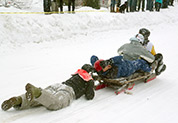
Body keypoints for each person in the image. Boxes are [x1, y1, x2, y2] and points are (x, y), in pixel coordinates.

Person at [1, 64, 95, 111]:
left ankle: (19, 100)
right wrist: (91, 84)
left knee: (41, 99)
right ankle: (37, 92)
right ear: (90, 73)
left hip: (57, 85)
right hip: (67, 91)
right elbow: (89, 96)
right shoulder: (88, 79)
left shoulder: (77, 74)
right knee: (56, 103)